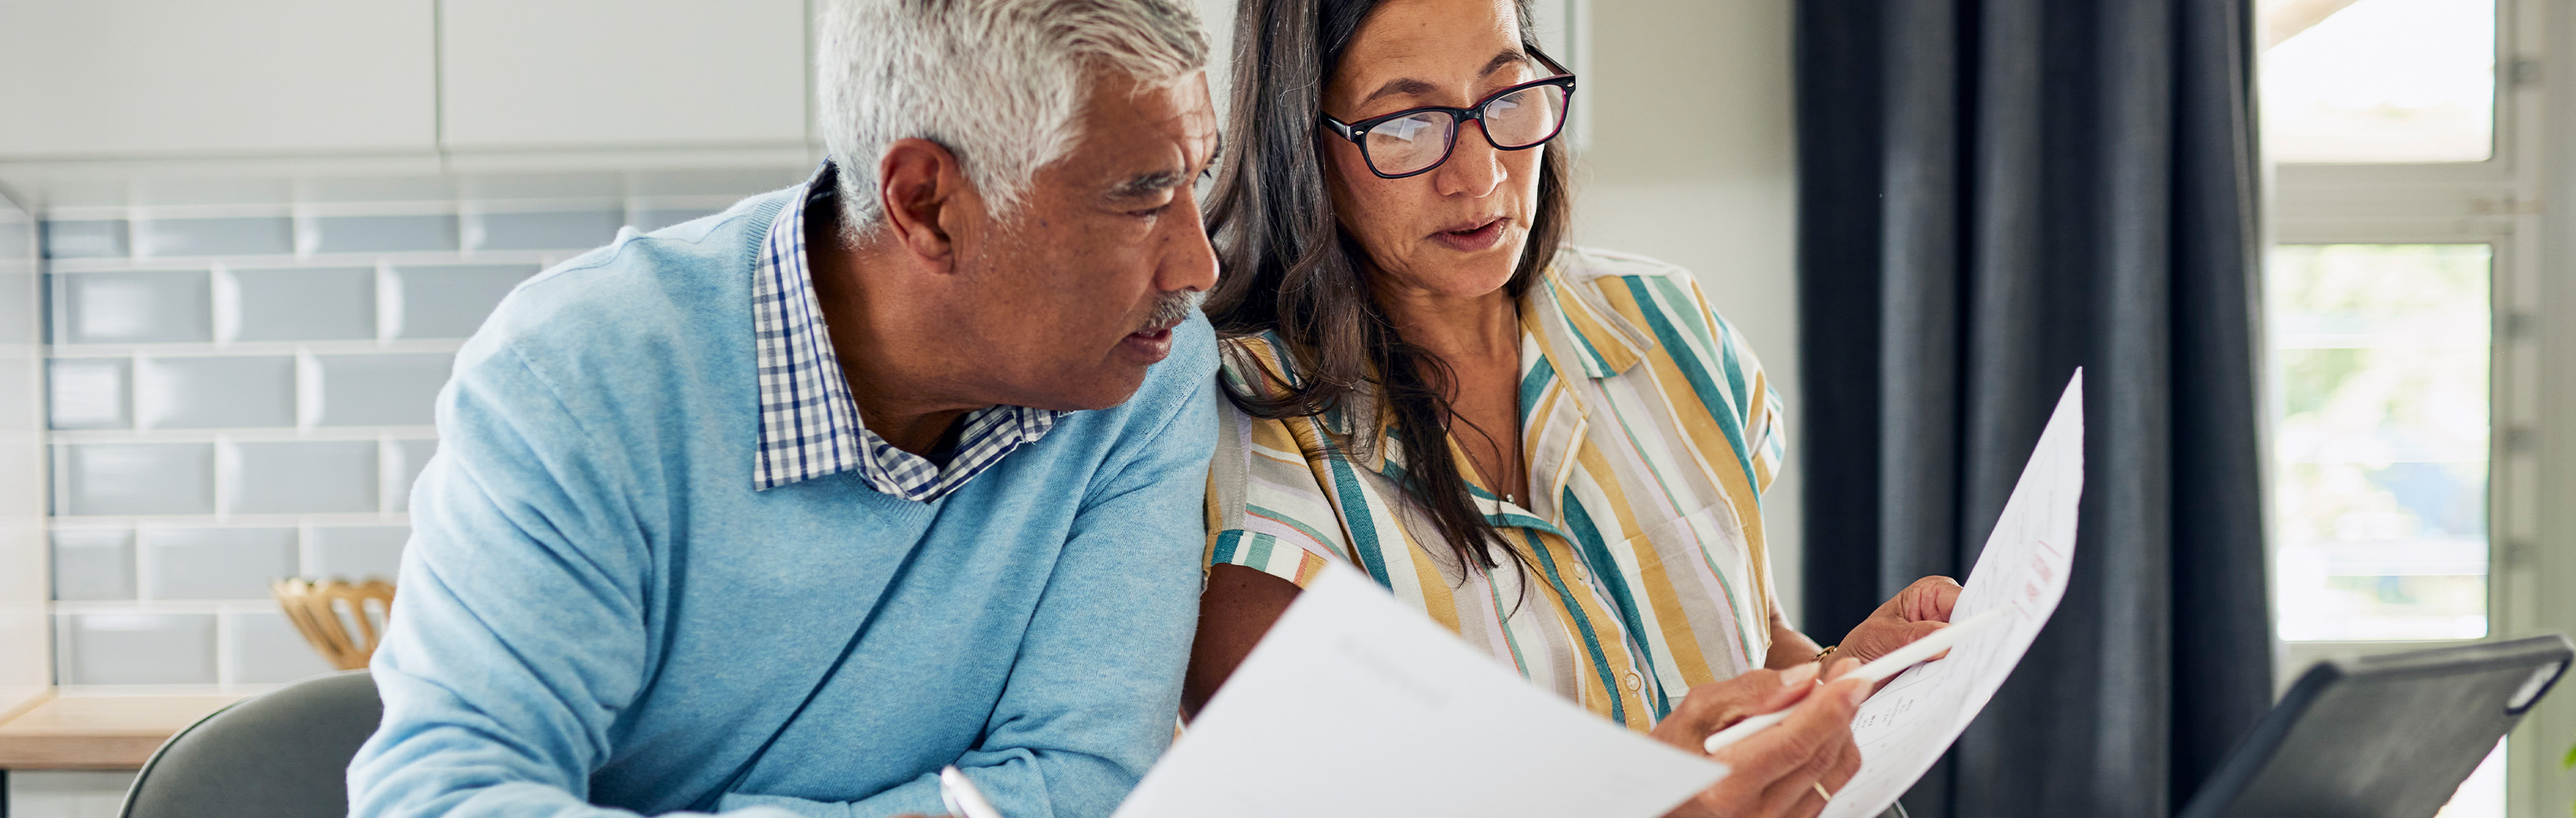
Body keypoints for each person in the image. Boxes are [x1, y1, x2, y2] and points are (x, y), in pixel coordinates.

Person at [346, 1, 1220, 816]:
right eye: (1143, 197)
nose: (1199, 267)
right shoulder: (581, 373)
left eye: (1197, 180)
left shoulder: (1147, 373)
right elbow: (443, 794)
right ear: (927, 204)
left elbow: (1081, 785)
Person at [1185, 0, 1961, 816]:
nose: (1480, 174)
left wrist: (1848, 681)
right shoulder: (1237, 444)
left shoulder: (1669, 323)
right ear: (1300, 139)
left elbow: (1760, 646)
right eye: (1408, 124)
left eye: (1507, 95)